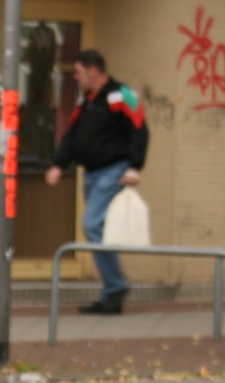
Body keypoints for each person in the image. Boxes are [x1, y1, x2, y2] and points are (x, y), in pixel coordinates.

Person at [46, 49, 149, 315]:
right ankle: (111, 295)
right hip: (91, 174)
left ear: (93, 71)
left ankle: (116, 285)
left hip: (113, 171)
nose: (76, 78)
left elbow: (139, 129)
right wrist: (59, 164)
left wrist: (134, 167)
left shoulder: (122, 95)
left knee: (91, 224)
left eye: (78, 73)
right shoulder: (86, 100)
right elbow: (72, 135)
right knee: (98, 230)